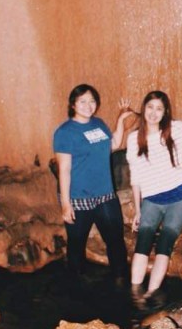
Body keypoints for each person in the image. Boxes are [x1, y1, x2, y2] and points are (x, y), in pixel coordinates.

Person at [53, 84, 129, 282]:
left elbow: (114, 145)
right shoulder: (65, 132)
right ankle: (76, 288)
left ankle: (121, 284)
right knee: (77, 245)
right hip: (78, 197)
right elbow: (64, 169)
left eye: (92, 101)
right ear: (73, 104)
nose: (88, 106)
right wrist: (66, 204)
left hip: (105, 194)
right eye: (83, 101)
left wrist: (120, 120)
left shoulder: (99, 124)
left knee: (116, 241)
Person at [124, 90, 182, 304]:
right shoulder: (134, 139)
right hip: (151, 199)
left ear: (165, 112)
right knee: (143, 242)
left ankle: (151, 293)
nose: (154, 113)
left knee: (165, 244)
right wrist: (138, 210)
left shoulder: (177, 129)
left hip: (179, 197)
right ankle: (135, 295)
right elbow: (135, 177)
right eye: (150, 107)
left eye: (159, 109)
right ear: (144, 108)